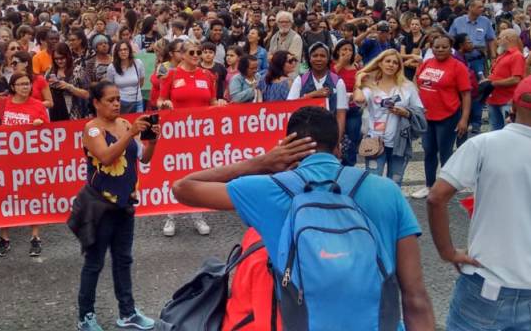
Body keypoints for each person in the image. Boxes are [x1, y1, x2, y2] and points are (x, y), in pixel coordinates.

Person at [171, 106, 436, 330]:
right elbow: (415, 297)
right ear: (338, 147)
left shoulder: (269, 190)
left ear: (287, 147)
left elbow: (183, 188)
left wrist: (262, 162)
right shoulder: (387, 191)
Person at [428, 76, 531, 330]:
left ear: (512, 107)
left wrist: (447, 251)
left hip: (485, 280)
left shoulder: (483, 145)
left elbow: (436, 197)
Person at [75, 82, 159, 331]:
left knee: (123, 259)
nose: (116, 103)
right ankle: (85, 316)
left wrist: (152, 140)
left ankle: (128, 311)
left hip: (125, 203)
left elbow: (143, 158)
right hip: (99, 206)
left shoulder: (123, 124)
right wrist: (131, 133)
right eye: (110, 99)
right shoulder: (91, 130)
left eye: (118, 98)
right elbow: (106, 156)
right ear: (96, 103)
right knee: (94, 262)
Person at [0, 71, 49, 257]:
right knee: (6, 198)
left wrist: (40, 123)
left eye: (27, 83)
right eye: (20, 84)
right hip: (6, 160)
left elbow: (50, 134)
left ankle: (35, 237)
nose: (25, 87)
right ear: (13, 87)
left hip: (30, 161)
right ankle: (4, 238)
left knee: (33, 198)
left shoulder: (38, 106)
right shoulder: (2, 103)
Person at [156, 39, 216, 237]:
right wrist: (164, 104)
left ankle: (197, 215)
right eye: (192, 52)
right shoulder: (171, 75)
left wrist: (221, 104)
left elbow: (213, 101)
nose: (197, 56)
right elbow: (160, 100)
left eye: (199, 52)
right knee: (176, 171)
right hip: (178, 133)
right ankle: (171, 215)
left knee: (198, 174)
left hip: (201, 133)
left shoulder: (207, 75)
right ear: (181, 55)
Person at [412, 34, 471, 200]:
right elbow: (417, 80)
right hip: (427, 116)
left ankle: (447, 187)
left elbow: (466, 95)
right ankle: (429, 185)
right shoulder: (427, 63)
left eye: (444, 47)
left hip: (448, 115)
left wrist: (464, 119)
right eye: (437, 47)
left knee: (445, 153)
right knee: (429, 151)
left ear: (450, 48)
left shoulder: (458, 67)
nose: (440, 50)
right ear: (432, 48)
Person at [353, 49, 424, 185]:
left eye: (395, 63)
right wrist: (358, 80)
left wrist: (406, 112)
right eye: (388, 61)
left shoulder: (407, 87)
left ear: (399, 66)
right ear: (380, 63)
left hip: (400, 142)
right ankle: (374, 206)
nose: (391, 65)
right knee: (373, 182)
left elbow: (419, 110)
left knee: (395, 182)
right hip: (375, 142)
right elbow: (360, 99)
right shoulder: (371, 87)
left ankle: (391, 206)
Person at [287, 42, 347, 143]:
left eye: (323, 56)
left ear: (328, 59)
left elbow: (341, 114)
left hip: (329, 134)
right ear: (309, 59)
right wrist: (313, 95)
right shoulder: (300, 80)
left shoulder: (337, 82)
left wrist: (337, 142)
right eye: (315, 56)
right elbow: (289, 106)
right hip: (304, 134)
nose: (318, 59)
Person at [484, 29, 526, 131]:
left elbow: (516, 79)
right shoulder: (503, 54)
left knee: (508, 132)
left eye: (499, 38)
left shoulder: (516, 56)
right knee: (495, 132)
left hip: (506, 101)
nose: (497, 41)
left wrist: (493, 83)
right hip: (494, 99)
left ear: (507, 38)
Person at [105, 41, 144, 114]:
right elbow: (110, 87)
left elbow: (141, 82)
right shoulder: (112, 67)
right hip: (121, 103)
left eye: (125, 49)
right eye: (120, 50)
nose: (123, 52)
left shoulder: (138, 63)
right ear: (117, 52)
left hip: (137, 101)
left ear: (129, 51)